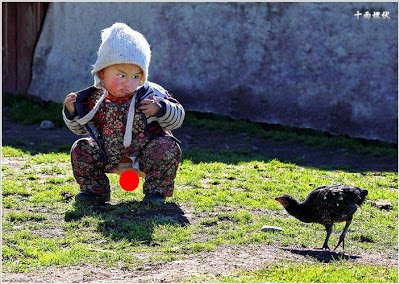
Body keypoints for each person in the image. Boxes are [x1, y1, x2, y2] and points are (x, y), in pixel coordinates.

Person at [62, 22, 184, 205]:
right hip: (109, 154)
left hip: (145, 155)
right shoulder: (94, 98)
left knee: (167, 146)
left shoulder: (152, 94)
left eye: (136, 76)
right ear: (102, 73)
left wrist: (162, 108)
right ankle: (94, 192)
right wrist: (71, 112)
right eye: (121, 75)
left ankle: (155, 193)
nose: (128, 82)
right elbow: (80, 128)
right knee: (81, 148)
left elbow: (178, 117)